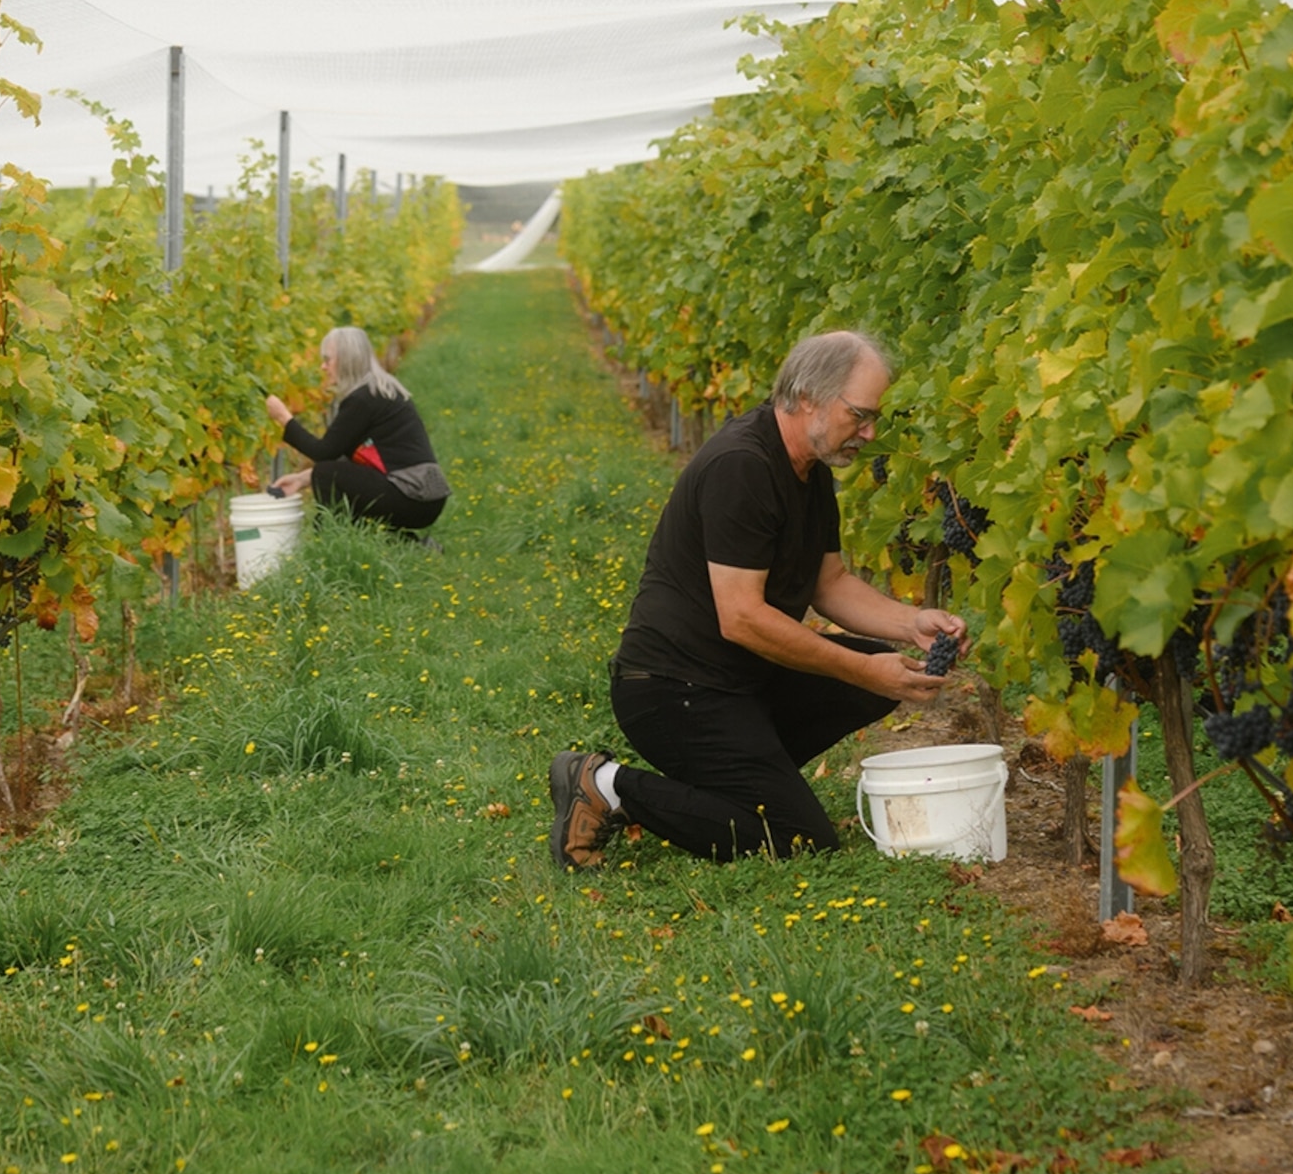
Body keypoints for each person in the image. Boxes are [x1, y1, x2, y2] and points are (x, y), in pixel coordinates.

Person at [548, 327, 963, 868]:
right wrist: (863, 672)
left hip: (740, 683)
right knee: (800, 839)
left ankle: (735, 783)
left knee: (880, 669)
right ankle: (603, 783)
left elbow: (828, 583)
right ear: (808, 396)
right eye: (859, 414)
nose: (868, 432)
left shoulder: (809, 467)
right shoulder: (742, 466)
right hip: (674, 693)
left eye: (874, 418)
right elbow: (742, 618)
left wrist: (913, 624)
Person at [264, 325, 449, 537]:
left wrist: (283, 417)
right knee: (335, 472)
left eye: (328, 359)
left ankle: (332, 543)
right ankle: (403, 543)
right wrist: (301, 479)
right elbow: (346, 456)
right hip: (423, 497)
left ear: (347, 360)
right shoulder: (378, 389)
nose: (323, 367)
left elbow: (324, 452)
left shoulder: (364, 398)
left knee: (328, 474)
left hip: (413, 495)